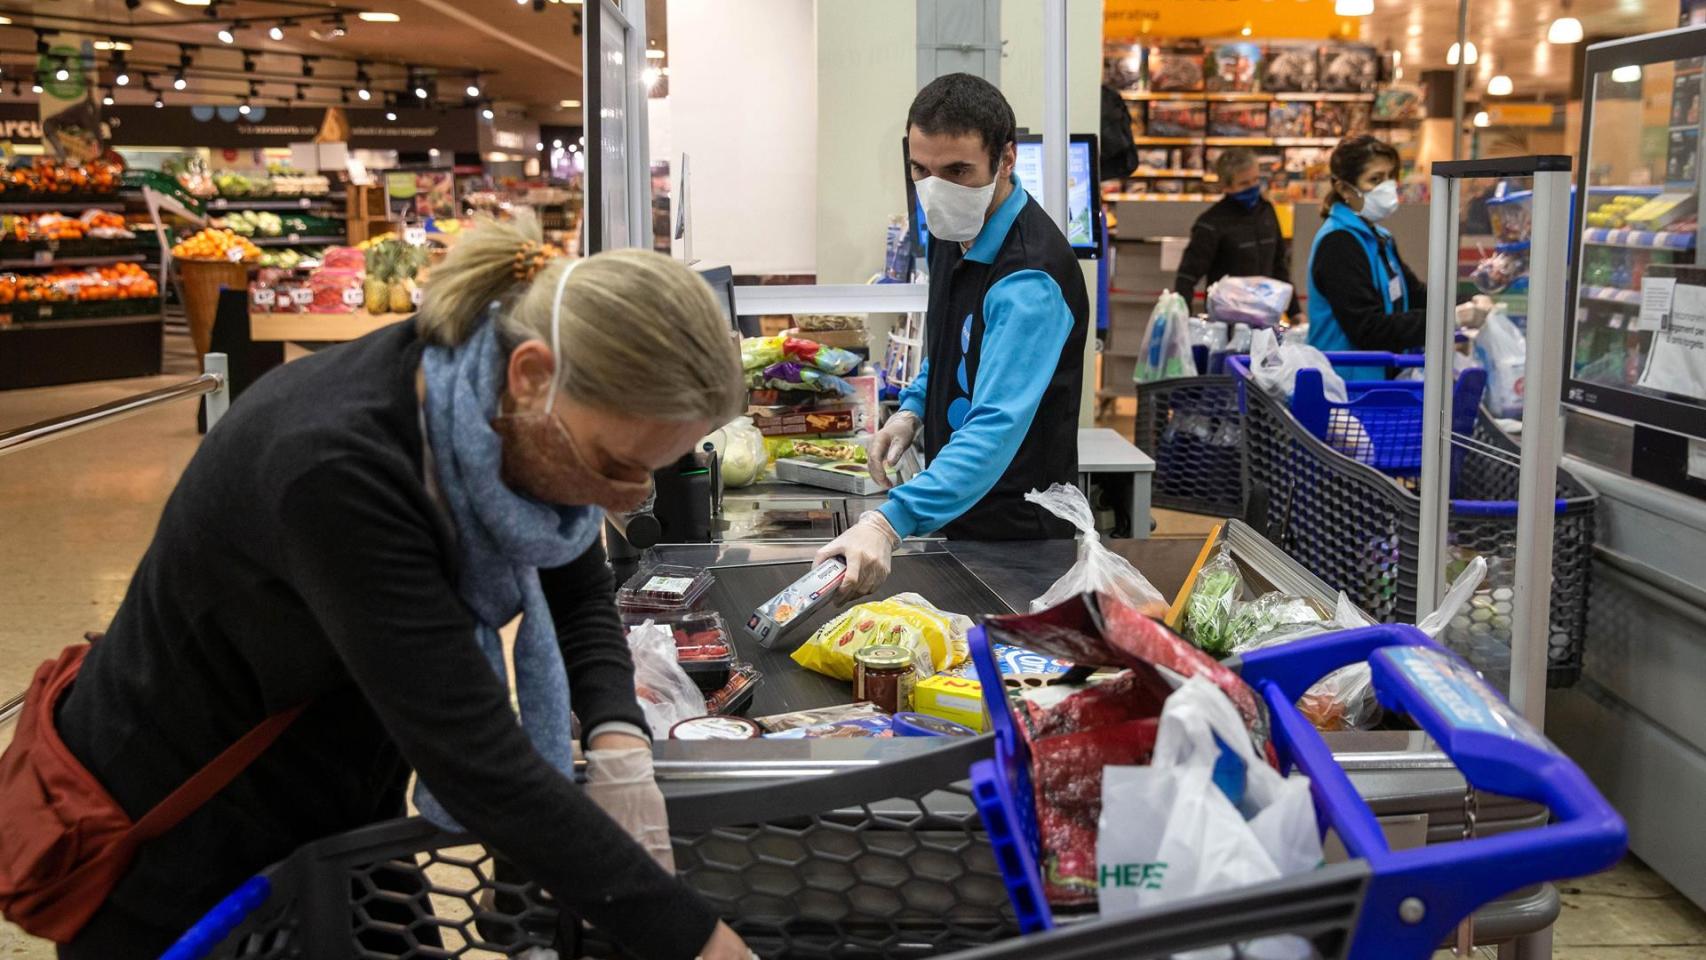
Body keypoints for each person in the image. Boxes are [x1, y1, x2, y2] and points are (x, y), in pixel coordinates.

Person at [22, 212, 752, 960]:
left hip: (337, 793)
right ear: (533, 375)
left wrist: (616, 735)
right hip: (185, 848)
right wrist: (703, 944)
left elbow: (576, 582)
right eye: (617, 464)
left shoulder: (486, 393)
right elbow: (475, 762)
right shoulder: (340, 472)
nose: (631, 498)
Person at [818, 72, 1090, 597]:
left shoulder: (1029, 279)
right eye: (921, 169)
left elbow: (993, 429)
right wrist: (914, 407)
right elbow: (952, 342)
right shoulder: (954, 229)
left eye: (958, 170)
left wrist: (889, 521)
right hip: (958, 515)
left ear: (1006, 159)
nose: (937, 190)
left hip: (1016, 537)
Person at [1173, 148, 1299, 321]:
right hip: (1227, 323)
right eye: (1244, 183)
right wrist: (1182, 320)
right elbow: (1187, 276)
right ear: (1226, 186)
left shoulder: (1267, 212)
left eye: (1256, 180)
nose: (1253, 187)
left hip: (1268, 321)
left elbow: (1279, 266)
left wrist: (1295, 312)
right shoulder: (1211, 223)